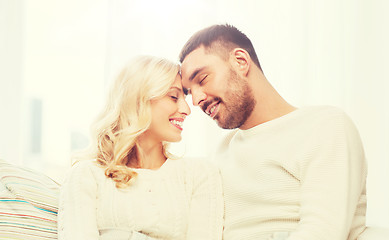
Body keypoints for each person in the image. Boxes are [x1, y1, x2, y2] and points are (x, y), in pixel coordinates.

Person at [179, 24, 367, 240]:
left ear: (240, 61)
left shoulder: (324, 126)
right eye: (188, 92)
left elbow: (322, 231)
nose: (196, 100)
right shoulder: (217, 156)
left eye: (202, 79)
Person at [58, 56, 224, 240]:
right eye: (173, 97)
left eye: (184, 98)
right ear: (138, 100)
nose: (186, 109)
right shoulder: (86, 176)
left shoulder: (200, 175)